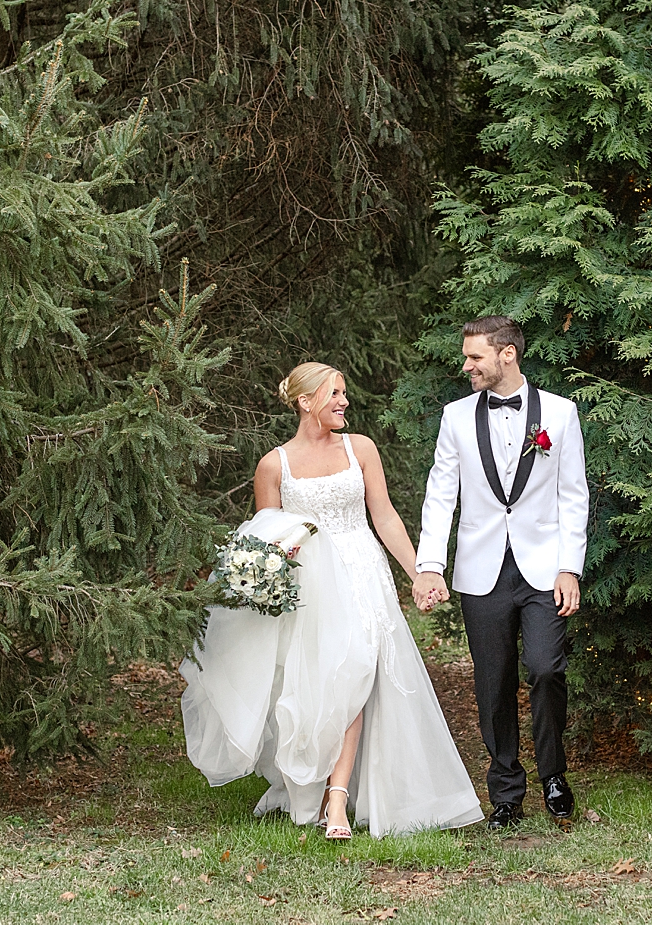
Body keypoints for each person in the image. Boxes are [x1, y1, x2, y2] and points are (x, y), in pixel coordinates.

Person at [180, 363, 483, 839]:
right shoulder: (273, 465)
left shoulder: (360, 448)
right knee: (321, 684)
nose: (344, 401)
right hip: (313, 587)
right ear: (305, 402)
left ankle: (338, 800)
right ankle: (317, 785)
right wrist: (275, 561)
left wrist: (420, 573)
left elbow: (383, 517)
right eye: (334, 393)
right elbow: (268, 537)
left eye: (344, 393)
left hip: (363, 574)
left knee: (358, 671)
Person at [413, 316, 589, 829]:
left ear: (506, 354)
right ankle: (506, 792)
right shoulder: (456, 417)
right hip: (480, 570)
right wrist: (429, 564)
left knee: (545, 667)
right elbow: (441, 494)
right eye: (466, 357)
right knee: (492, 683)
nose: (466, 365)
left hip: (543, 571)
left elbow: (573, 496)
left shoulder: (560, 413)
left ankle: (553, 773)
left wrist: (569, 568)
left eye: (475, 358)